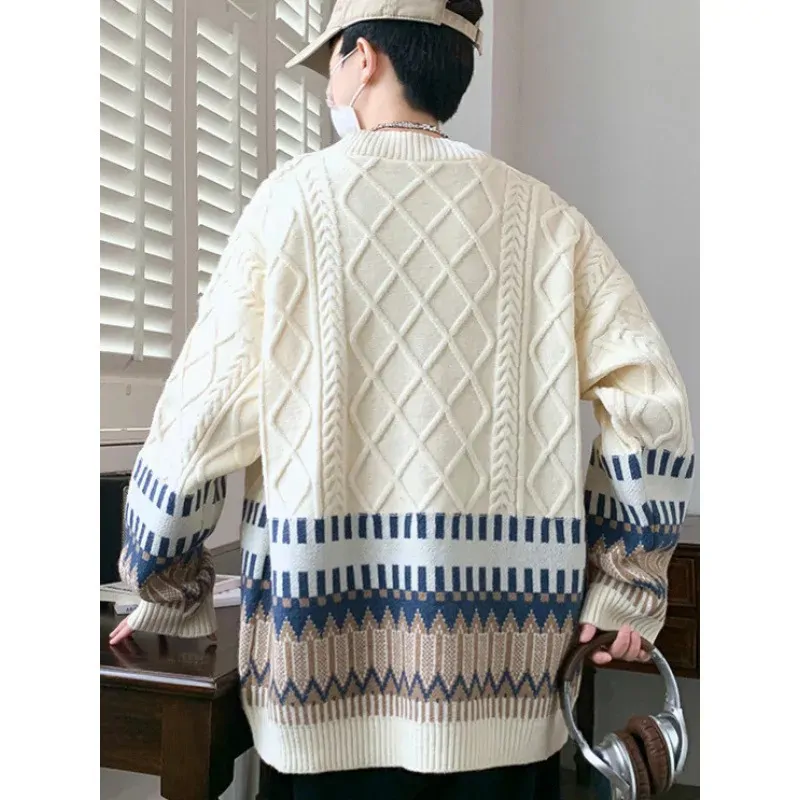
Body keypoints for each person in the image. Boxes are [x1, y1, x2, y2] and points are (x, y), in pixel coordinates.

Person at [109, 1, 694, 797]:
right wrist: (626, 580)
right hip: (508, 690)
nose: (329, 88)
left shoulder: (291, 205)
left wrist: (166, 589)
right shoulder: (550, 221)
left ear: (365, 58)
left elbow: (199, 420)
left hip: (319, 688)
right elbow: (652, 403)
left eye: (331, 64)